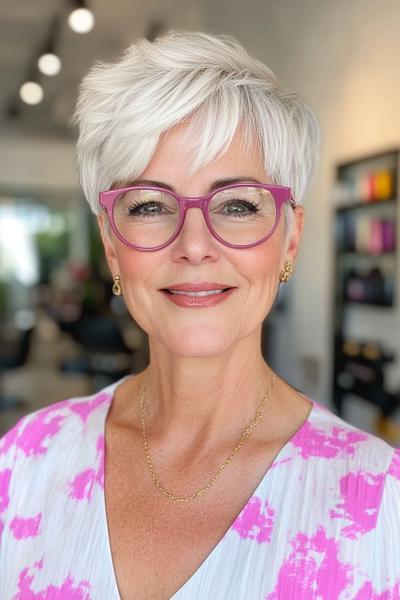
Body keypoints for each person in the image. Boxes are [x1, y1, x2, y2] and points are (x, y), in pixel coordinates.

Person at [1, 31, 399, 600]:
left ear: (289, 242)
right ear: (112, 246)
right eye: (149, 206)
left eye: (236, 204)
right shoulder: (26, 461)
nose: (193, 245)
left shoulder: (381, 505)